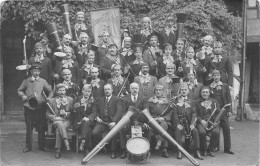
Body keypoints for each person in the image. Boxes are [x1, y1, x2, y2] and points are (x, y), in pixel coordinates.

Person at [18, 63, 53, 153]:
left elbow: (50, 90)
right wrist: (23, 96)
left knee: (41, 127)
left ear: (40, 71)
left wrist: (49, 98)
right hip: (29, 107)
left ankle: (41, 146)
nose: (36, 73)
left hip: (40, 107)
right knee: (29, 127)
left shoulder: (43, 81)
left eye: (38, 71)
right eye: (34, 71)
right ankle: (28, 147)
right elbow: (19, 90)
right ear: (31, 71)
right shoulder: (26, 80)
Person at [171, 83, 203, 160]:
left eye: (185, 90)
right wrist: (177, 124)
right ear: (180, 91)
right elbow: (174, 114)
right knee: (178, 130)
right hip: (180, 122)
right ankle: (180, 151)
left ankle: (197, 151)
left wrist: (192, 124)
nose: (184, 91)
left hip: (189, 122)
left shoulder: (192, 101)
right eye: (182, 90)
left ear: (188, 91)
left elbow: (194, 113)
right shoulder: (176, 101)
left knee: (195, 131)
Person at [92, 83, 123, 159]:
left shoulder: (117, 99)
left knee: (114, 132)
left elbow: (119, 111)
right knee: (94, 133)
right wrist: (96, 117)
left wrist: (114, 121)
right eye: (105, 89)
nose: (107, 91)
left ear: (112, 90)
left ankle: (113, 151)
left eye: (109, 89)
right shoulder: (100, 100)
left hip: (111, 122)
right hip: (101, 122)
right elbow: (94, 109)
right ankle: (103, 147)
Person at [119, 83, 150, 159]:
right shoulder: (125, 98)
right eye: (132, 88)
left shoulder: (144, 98)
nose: (134, 90)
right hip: (129, 121)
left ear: (138, 89)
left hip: (141, 121)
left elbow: (146, 111)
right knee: (122, 129)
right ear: (130, 89)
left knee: (148, 129)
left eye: (136, 88)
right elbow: (123, 112)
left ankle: (147, 150)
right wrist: (125, 122)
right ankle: (123, 149)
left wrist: (145, 122)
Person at [209, 69, 234, 154]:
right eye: (214, 75)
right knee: (216, 128)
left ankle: (227, 148)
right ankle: (216, 147)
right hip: (215, 111)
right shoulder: (210, 86)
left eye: (217, 75)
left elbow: (228, 98)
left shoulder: (225, 85)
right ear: (212, 77)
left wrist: (229, 110)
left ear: (220, 76)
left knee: (226, 128)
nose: (216, 77)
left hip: (223, 111)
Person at [46, 83, 74, 158]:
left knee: (59, 128)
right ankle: (66, 143)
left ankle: (58, 150)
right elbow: (47, 114)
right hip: (56, 120)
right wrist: (54, 117)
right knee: (59, 123)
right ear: (57, 91)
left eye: (63, 90)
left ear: (65, 91)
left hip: (67, 121)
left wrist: (66, 113)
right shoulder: (52, 101)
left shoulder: (70, 100)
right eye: (60, 90)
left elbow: (74, 113)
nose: (62, 92)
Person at [146, 84, 171, 158]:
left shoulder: (167, 101)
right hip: (153, 119)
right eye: (156, 90)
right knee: (149, 128)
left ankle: (163, 148)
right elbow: (147, 112)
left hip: (163, 120)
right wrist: (152, 118)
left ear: (163, 91)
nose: (158, 91)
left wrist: (164, 118)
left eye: (160, 90)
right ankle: (148, 150)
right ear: (154, 91)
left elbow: (170, 113)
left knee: (164, 124)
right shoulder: (150, 101)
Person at [195, 86, 220, 157]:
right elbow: (195, 114)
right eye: (203, 92)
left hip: (212, 122)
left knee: (216, 132)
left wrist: (216, 121)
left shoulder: (214, 102)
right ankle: (204, 149)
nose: (205, 94)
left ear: (209, 93)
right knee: (202, 132)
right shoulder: (196, 102)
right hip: (201, 122)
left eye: (206, 92)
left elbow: (218, 113)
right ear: (200, 93)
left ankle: (210, 149)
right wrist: (201, 120)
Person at [73, 84, 97, 155]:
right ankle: (87, 149)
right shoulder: (77, 99)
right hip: (79, 121)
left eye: (89, 91)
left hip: (89, 121)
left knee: (86, 123)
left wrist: (88, 118)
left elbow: (94, 112)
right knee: (88, 129)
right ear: (82, 91)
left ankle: (83, 141)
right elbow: (73, 111)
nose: (87, 93)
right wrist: (75, 108)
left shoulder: (93, 100)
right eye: (86, 91)